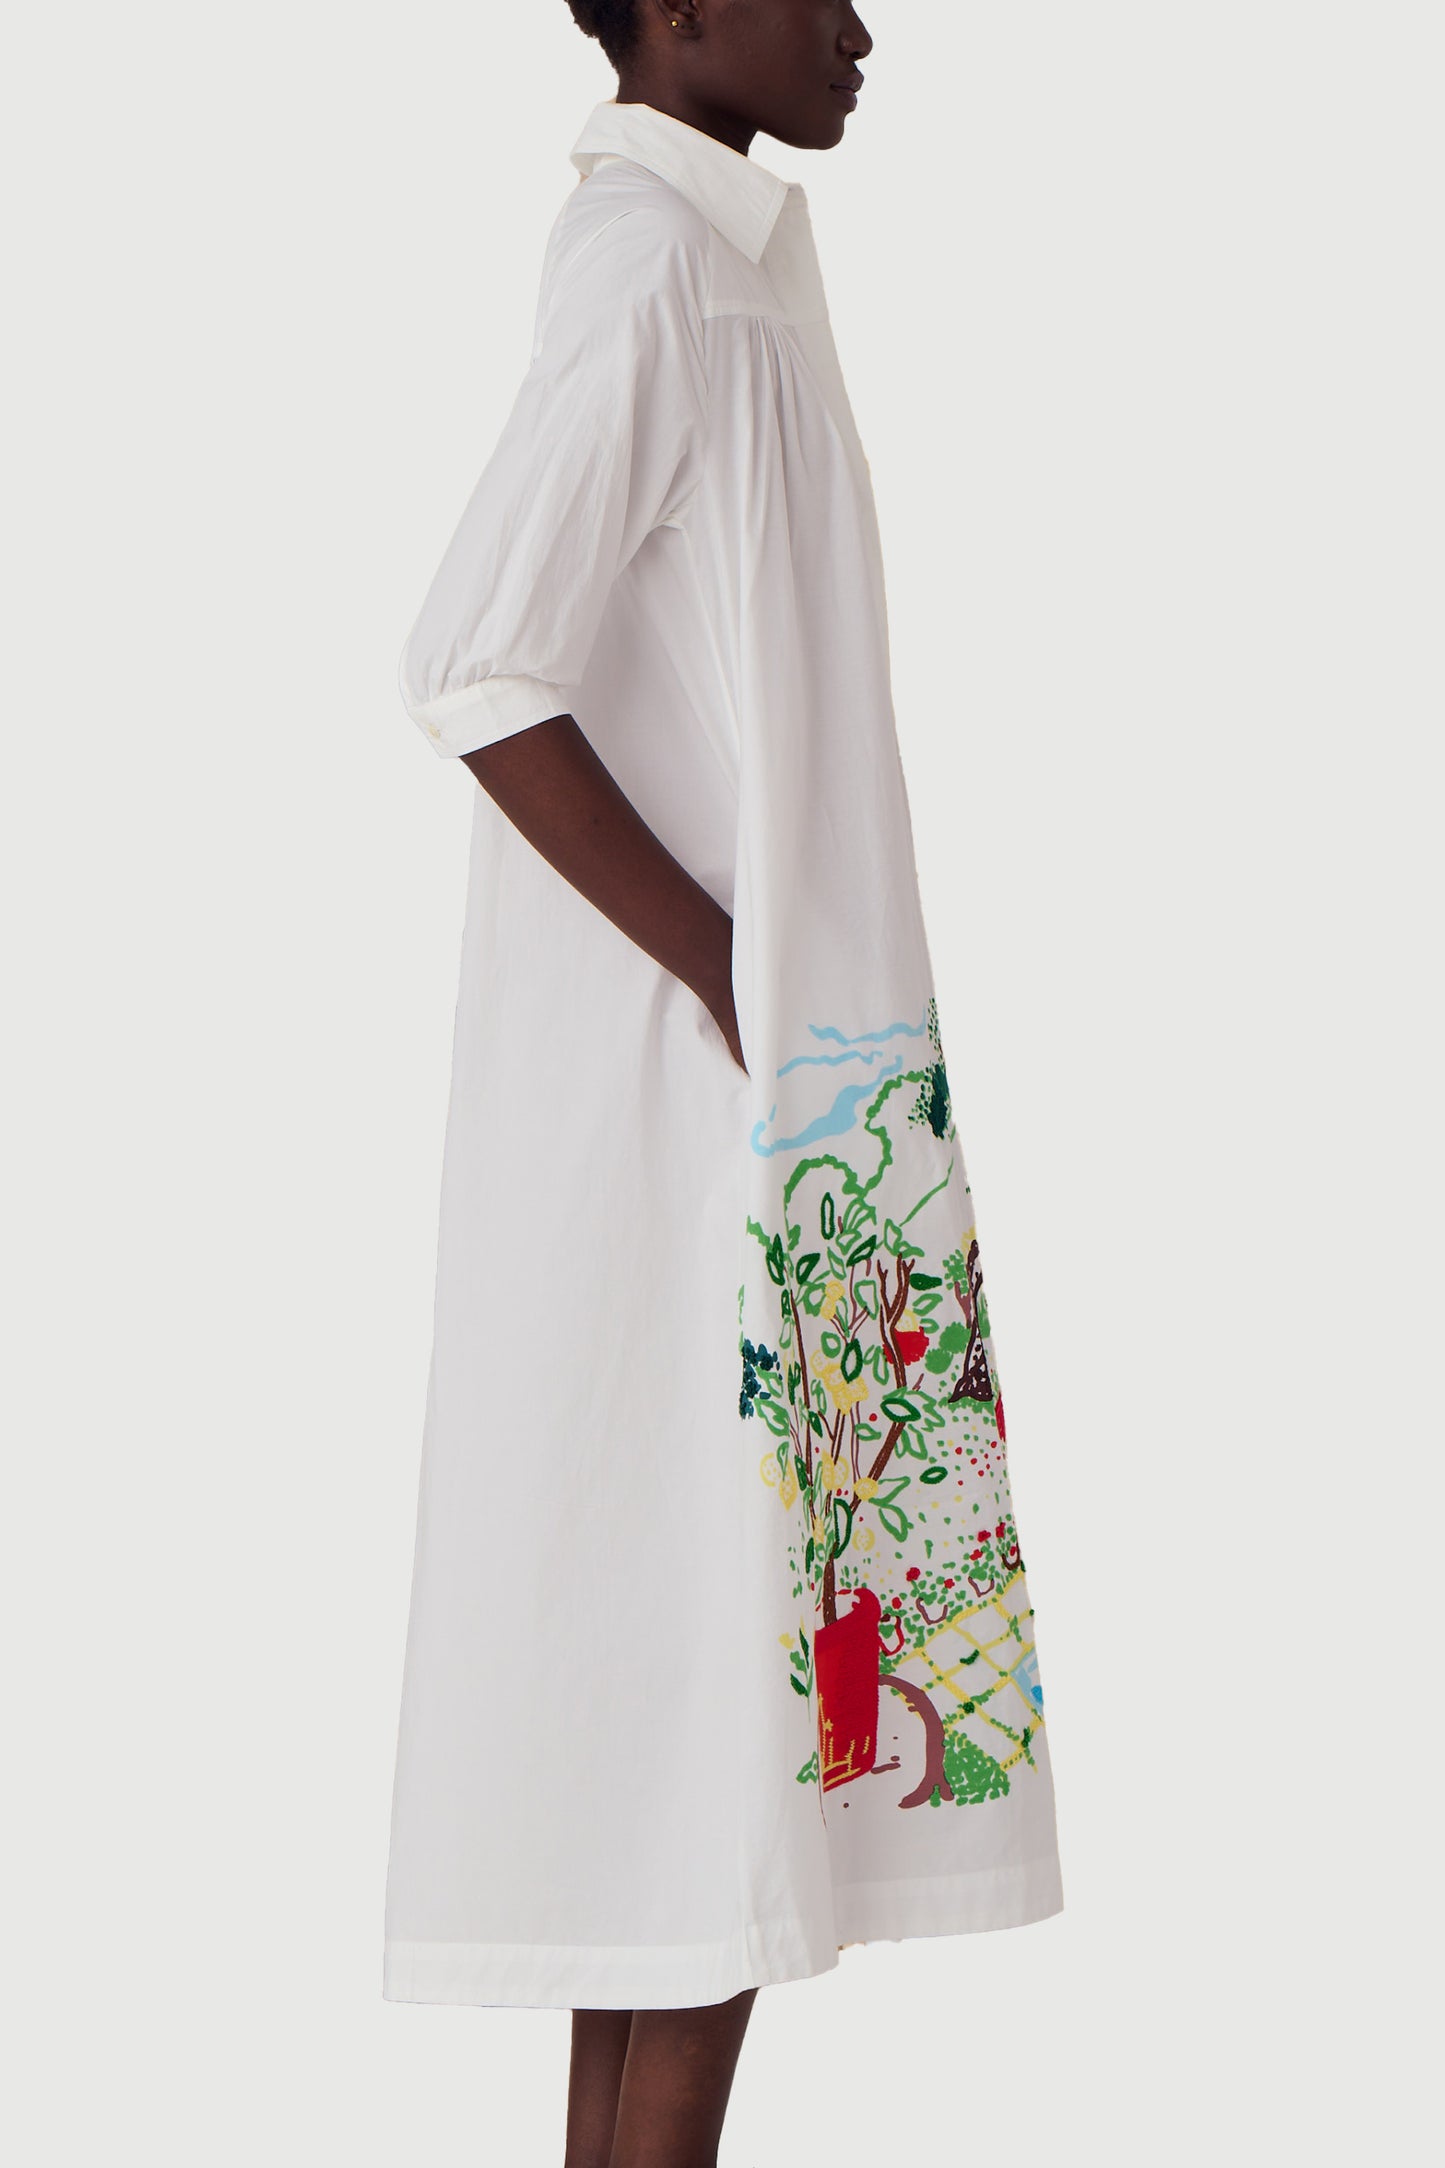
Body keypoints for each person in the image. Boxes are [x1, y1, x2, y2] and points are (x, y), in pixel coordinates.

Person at [384, 4, 1064, 2162]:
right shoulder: (648, 269)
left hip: (779, 1114)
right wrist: (732, 968)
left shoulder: (733, 258)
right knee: (717, 1770)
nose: (862, 28)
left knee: (692, 1800)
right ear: (675, 7)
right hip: (704, 1139)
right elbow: (474, 662)